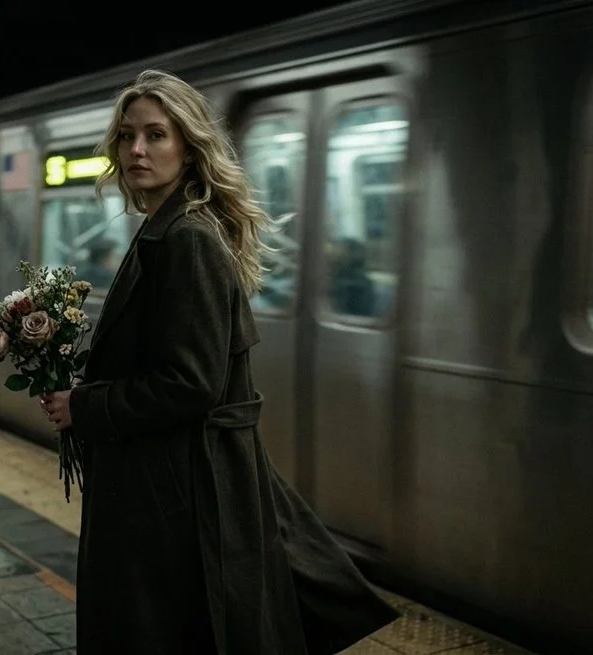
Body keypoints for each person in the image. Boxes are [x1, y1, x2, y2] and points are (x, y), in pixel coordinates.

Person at [40, 69, 400, 654]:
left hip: (175, 497)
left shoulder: (186, 239)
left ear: (188, 145)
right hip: (169, 486)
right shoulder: (166, 228)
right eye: (128, 136)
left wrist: (86, 405)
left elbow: (191, 383)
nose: (137, 149)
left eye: (156, 135)